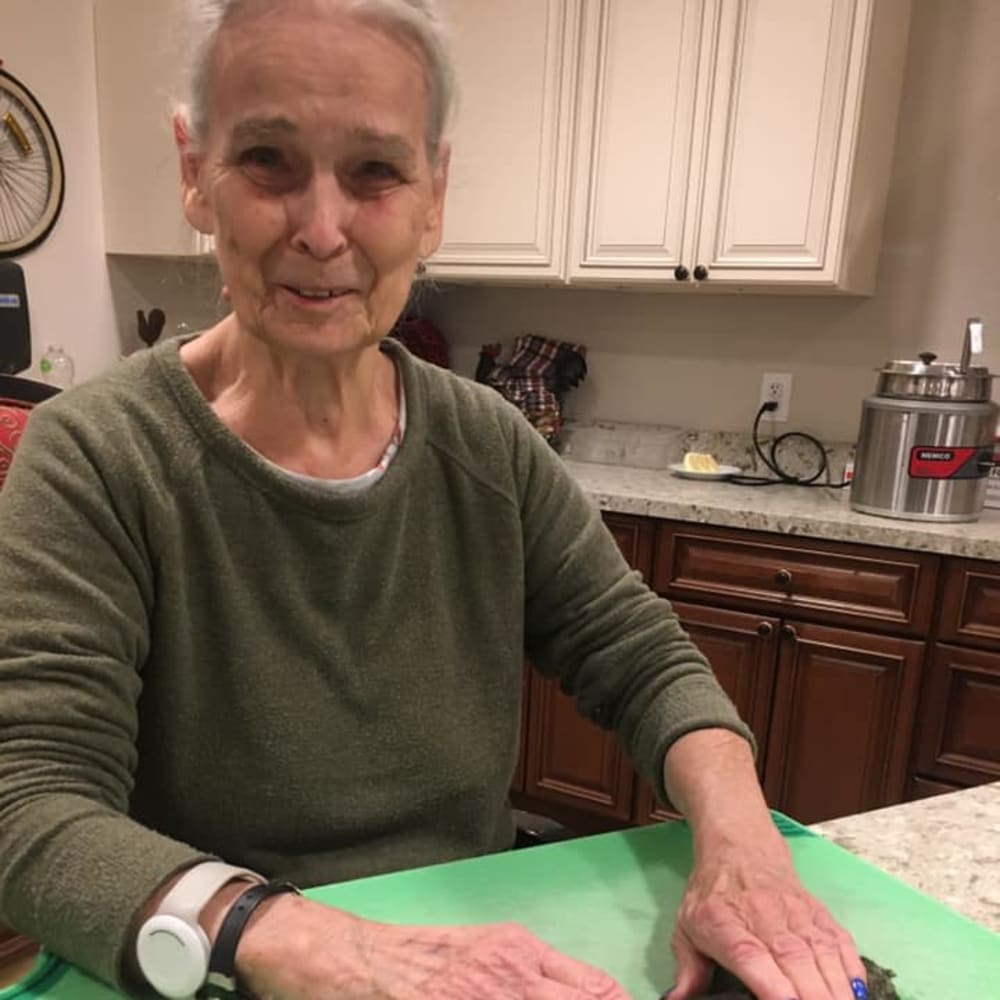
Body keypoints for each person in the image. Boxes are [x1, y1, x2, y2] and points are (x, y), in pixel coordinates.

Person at [0, 2, 869, 999]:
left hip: (474, 949)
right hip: (221, 965)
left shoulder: (486, 443)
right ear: (196, 172)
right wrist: (317, 943)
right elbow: (30, 804)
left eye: (374, 171)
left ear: (433, 195)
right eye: (269, 160)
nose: (322, 230)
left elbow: (641, 654)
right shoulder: (98, 455)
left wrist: (741, 845)